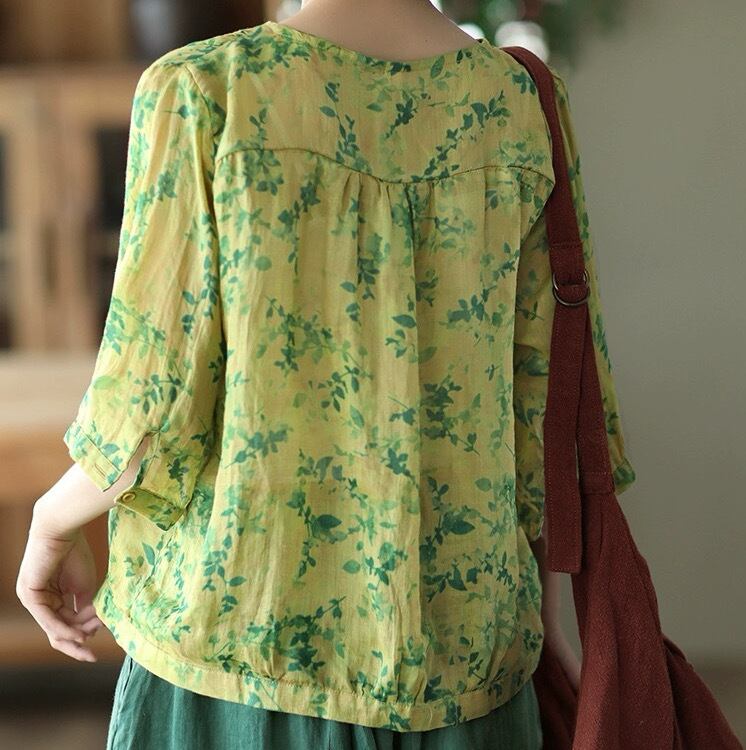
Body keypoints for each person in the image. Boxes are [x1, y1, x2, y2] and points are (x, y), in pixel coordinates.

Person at [16, 0, 637, 747]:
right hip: (467, 677)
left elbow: (152, 410)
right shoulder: (519, 102)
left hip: (240, 666)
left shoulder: (208, 90)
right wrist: (532, 627)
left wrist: (51, 522)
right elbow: (546, 424)